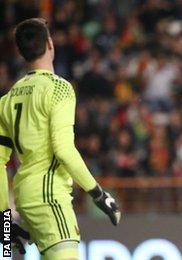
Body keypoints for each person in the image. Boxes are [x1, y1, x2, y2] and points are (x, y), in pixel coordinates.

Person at [0, 18, 121, 259]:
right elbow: (64, 149)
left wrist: (5, 223)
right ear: (50, 44)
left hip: (25, 196)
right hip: (50, 195)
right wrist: (99, 194)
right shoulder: (59, 88)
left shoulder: (7, 99)